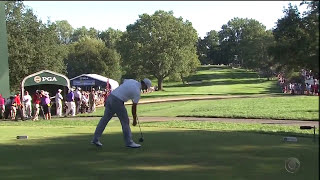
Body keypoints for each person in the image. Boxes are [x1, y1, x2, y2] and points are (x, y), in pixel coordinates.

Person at [91, 78, 152, 148]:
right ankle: (129, 142)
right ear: (144, 85)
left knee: (104, 120)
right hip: (118, 101)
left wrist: (127, 92)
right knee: (125, 121)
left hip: (110, 97)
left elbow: (124, 81)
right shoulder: (137, 92)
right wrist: (134, 120)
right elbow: (134, 107)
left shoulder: (131, 81)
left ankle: (95, 139)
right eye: (146, 87)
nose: (145, 89)